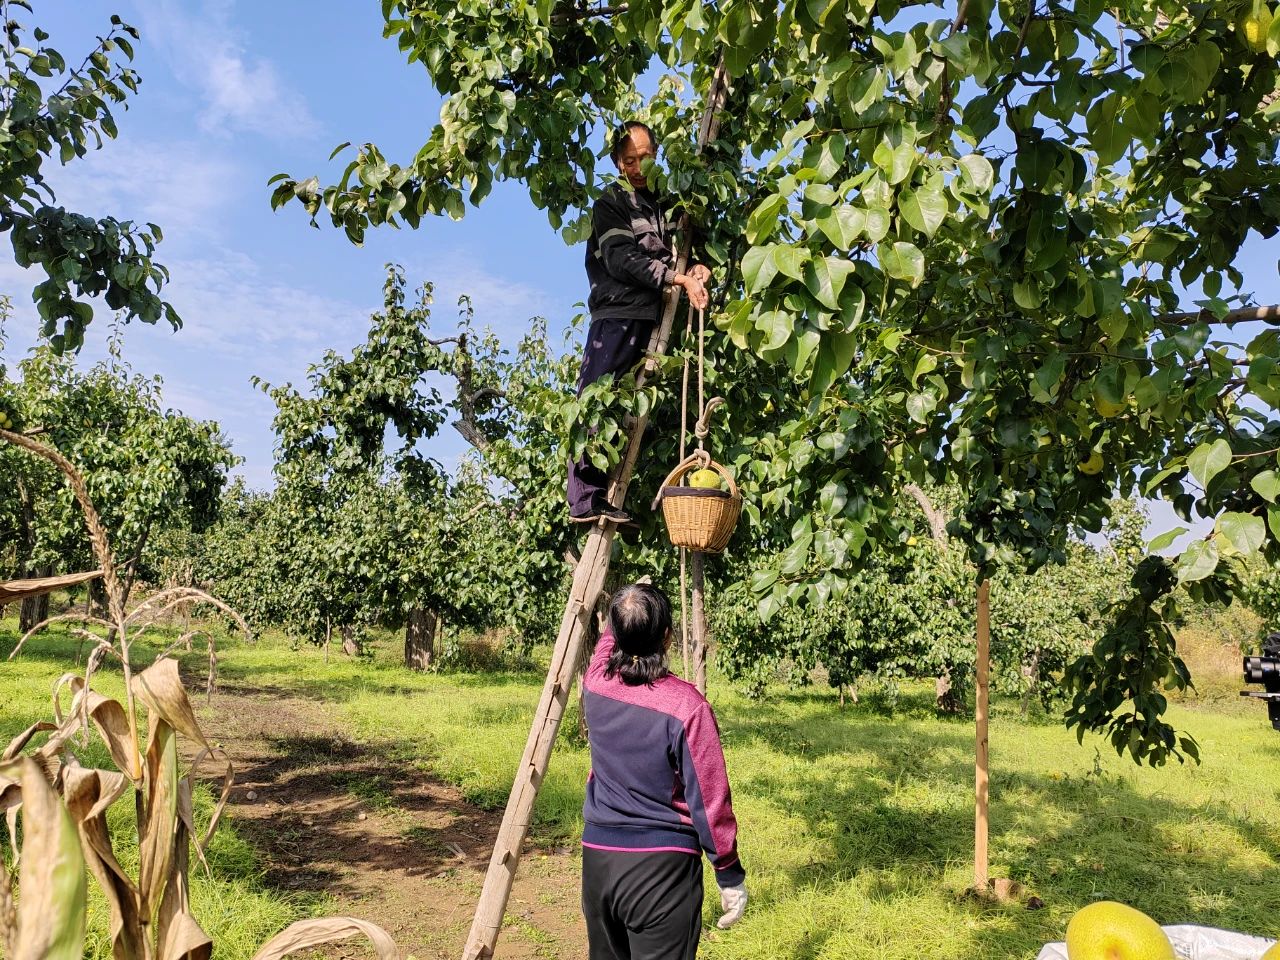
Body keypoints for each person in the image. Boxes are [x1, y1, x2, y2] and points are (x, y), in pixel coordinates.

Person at [580, 582, 748, 960]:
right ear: (669, 636)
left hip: (598, 862)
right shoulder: (686, 707)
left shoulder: (596, 683)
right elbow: (709, 796)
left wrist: (628, 606)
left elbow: (606, 644)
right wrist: (728, 872)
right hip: (660, 873)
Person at [568, 120, 712, 524]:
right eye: (630, 159)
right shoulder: (612, 203)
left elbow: (679, 253)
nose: (638, 165)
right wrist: (676, 278)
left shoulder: (666, 203)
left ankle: (607, 492)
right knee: (597, 398)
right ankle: (584, 499)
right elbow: (621, 259)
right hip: (617, 314)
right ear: (617, 162)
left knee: (625, 407)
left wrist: (698, 268)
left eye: (645, 157)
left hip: (650, 317)